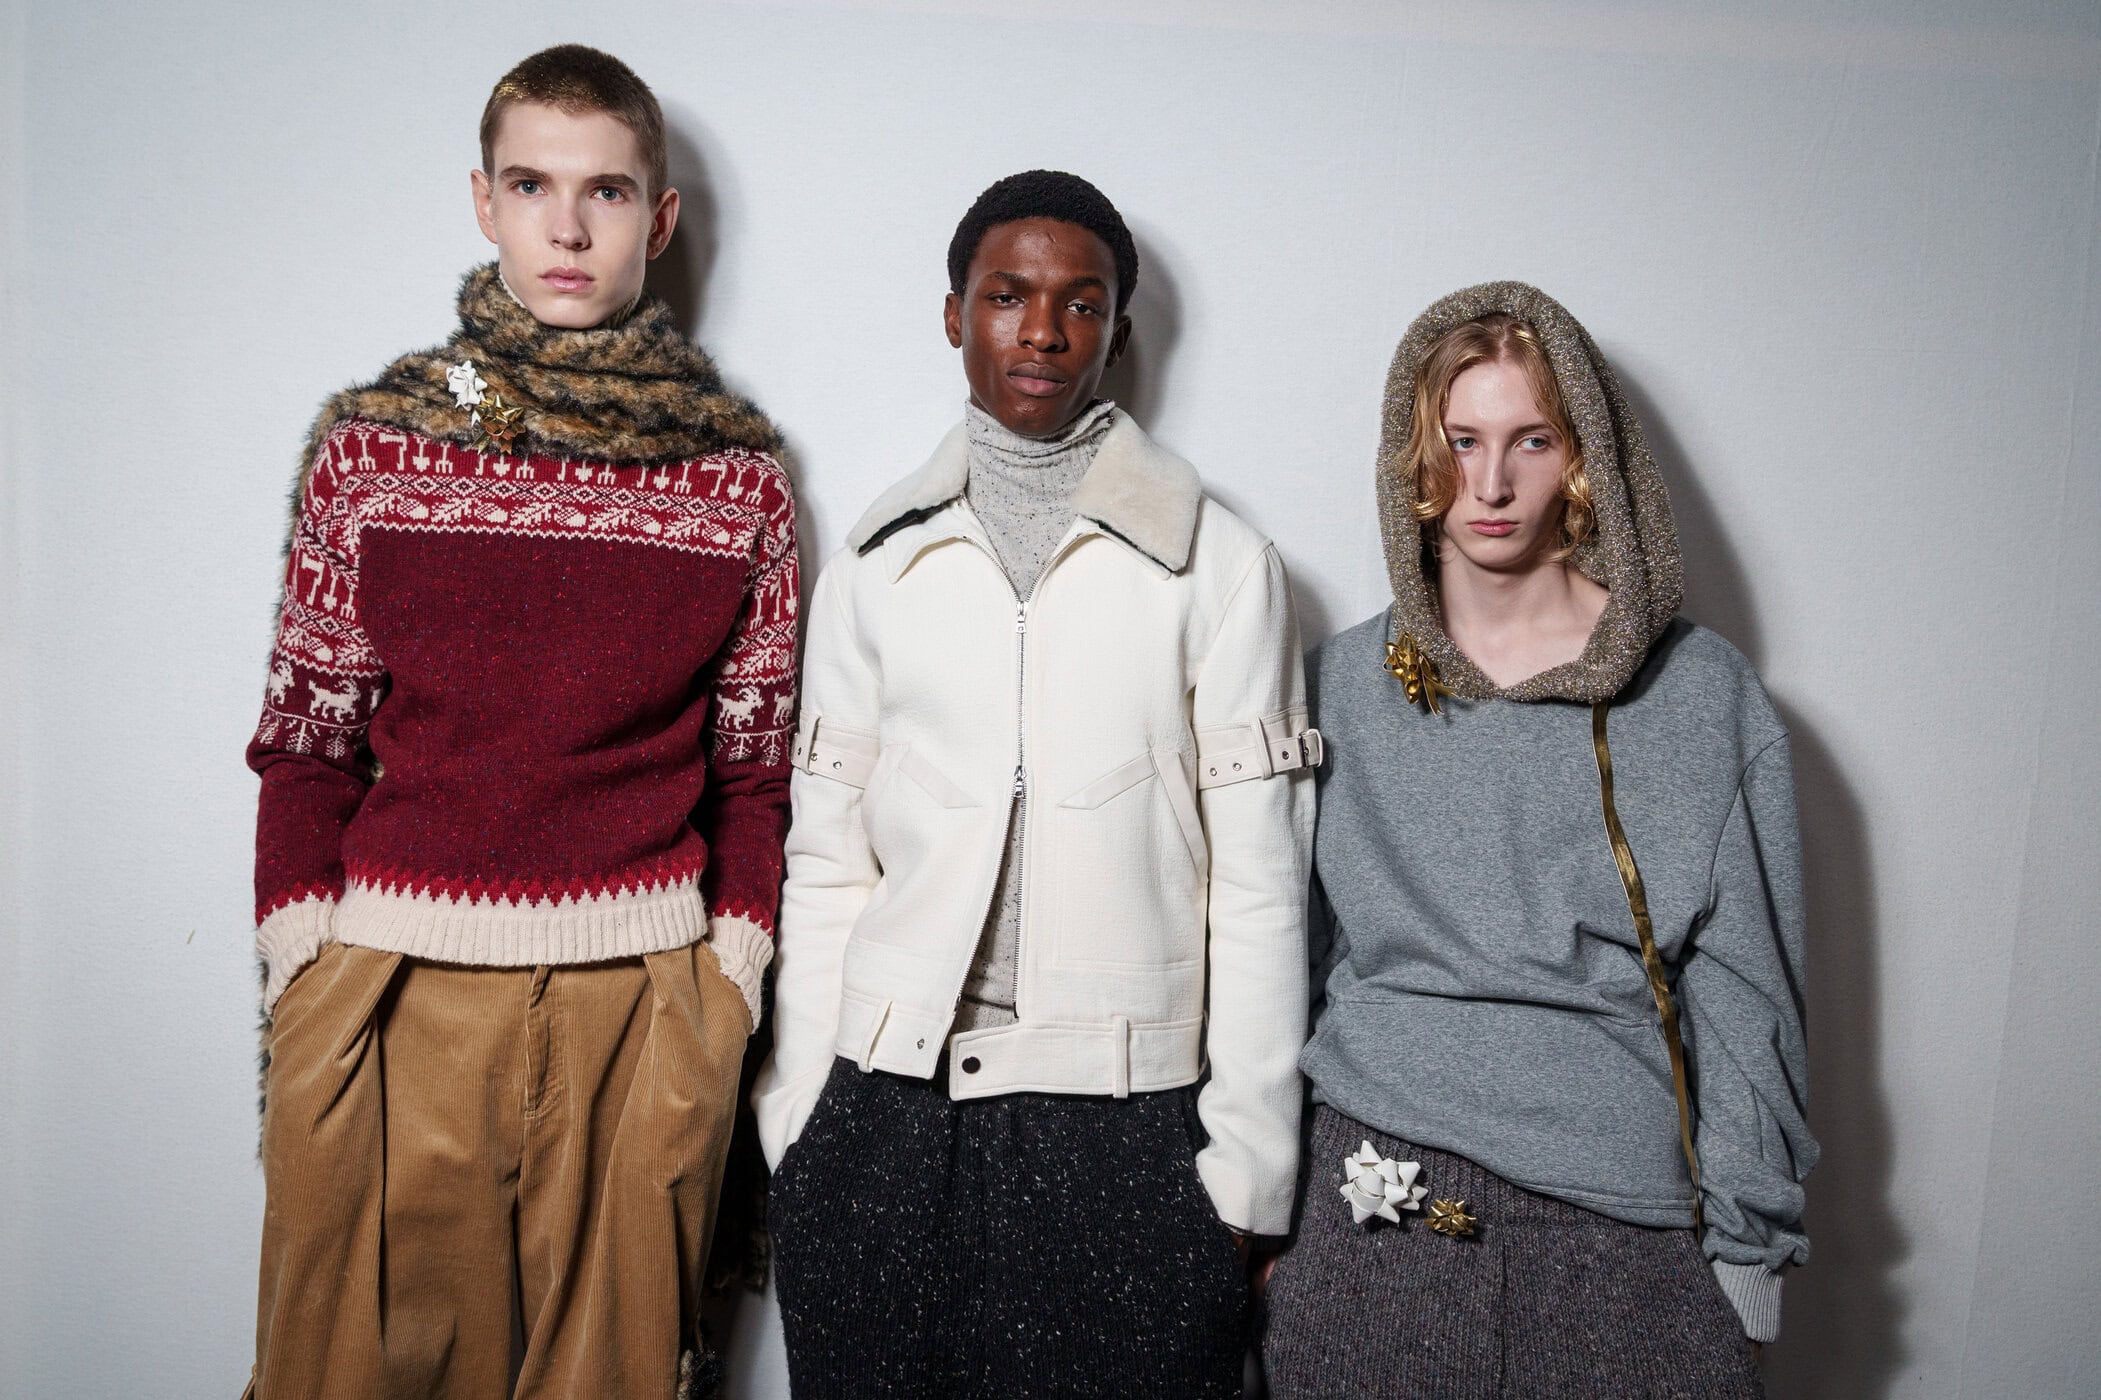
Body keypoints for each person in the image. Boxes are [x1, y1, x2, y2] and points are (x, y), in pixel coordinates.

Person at [242, 44, 795, 1398]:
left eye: (606, 190)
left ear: (659, 218)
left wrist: (728, 978)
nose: (568, 227)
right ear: (483, 201)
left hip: (644, 1004)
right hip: (395, 993)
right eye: (533, 185)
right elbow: (306, 736)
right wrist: (305, 964)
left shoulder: (737, 482)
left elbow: (755, 772)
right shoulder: (373, 450)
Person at [754, 170, 1316, 1398]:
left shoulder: (1220, 566)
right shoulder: (876, 564)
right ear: (954, 314)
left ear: (1120, 330)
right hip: (883, 1119)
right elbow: (827, 861)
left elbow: (1262, 888)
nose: (1044, 331)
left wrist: (1245, 1173)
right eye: (1007, 295)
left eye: (1082, 301)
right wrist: (801, 1122)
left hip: (1126, 1132)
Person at [1262, 282, 1813, 1398]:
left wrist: (1749, 1263)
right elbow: (1277, 967)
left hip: (1621, 1223)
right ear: (1415, 454)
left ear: (1585, 457)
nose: (1491, 484)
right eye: (1461, 440)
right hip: (1369, 1202)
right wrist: (1266, 1220)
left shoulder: (1699, 697)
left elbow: (1746, 995)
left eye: (1531, 440)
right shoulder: (1340, 688)